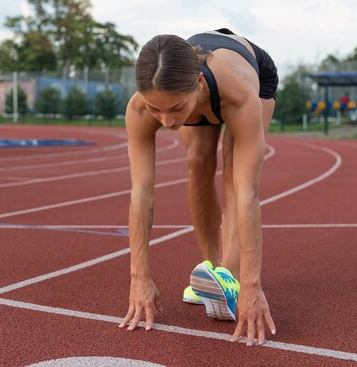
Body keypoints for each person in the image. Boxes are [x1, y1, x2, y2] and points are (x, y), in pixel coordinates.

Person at [118, 28, 278, 346]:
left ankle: (229, 277)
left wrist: (252, 285)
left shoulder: (238, 92)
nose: (166, 121)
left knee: (235, 173)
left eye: (176, 109)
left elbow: (249, 194)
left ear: (199, 84)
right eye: (155, 109)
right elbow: (141, 193)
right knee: (198, 162)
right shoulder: (140, 108)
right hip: (198, 90)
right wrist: (139, 278)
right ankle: (211, 266)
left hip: (250, 74)